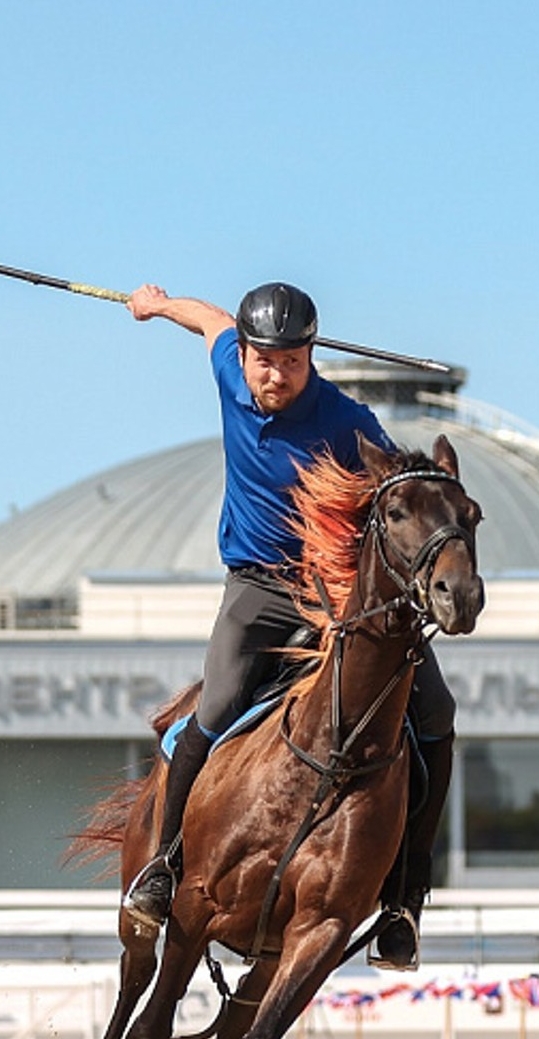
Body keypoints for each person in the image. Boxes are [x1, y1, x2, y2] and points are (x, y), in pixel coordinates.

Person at [120, 281, 457, 969]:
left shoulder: (346, 419)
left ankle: (403, 901)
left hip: (332, 595)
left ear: (311, 355)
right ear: (243, 356)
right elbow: (209, 319)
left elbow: (403, 488)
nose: (276, 375)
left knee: (436, 711)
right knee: (211, 710)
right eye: (264, 361)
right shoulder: (228, 368)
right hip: (255, 590)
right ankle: (161, 868)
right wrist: (155, 304)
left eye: (292, 362)